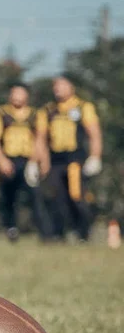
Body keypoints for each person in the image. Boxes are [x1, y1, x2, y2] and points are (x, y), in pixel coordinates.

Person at [36, 76, 102, 242]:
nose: (57, 89)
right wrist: (40, 161)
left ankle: (83, 233)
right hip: (56, 160)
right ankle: (58, 234)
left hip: (75, 159)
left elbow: (94, 133)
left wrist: (95, 156)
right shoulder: (48, 110)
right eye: (55, 86)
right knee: (57, 197)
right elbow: (41, 138)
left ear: (71, 86)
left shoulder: (82, 107)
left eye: (62, 85)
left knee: (76, 195)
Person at [0, 83, 50, 242]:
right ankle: (11, 230)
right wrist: (1, 160)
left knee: (35, 197)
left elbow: (40, 139)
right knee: (8, 198)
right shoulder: (1, 114)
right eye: (14, 93)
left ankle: (45, 234)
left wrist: (38, 161)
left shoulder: (35, 114)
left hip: (29, 161)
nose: (17, 97)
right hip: (9, 160)